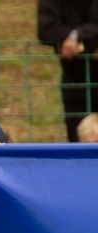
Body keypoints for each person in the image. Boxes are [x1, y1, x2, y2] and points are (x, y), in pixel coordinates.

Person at [38, 0, 98, 142]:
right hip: (76, 82)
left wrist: (77, 36)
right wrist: (83, 37)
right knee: (79, 144)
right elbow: (46, 29)